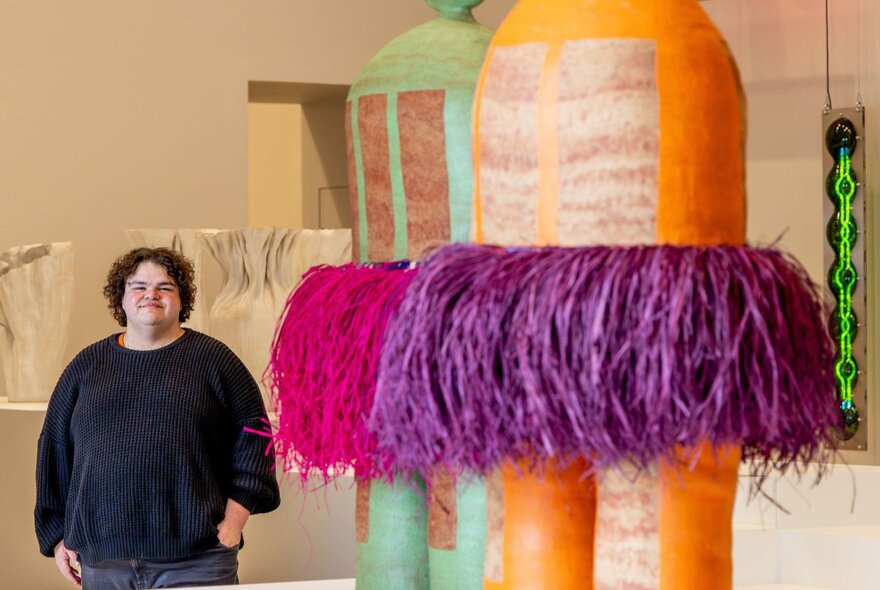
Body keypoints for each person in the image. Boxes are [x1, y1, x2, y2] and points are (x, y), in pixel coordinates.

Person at [35, 247, 281, 588]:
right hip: (105, 563)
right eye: (138, 286)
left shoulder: (214, 361)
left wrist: (233, 523)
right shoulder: (86, 367)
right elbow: (54, 452)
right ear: (121, 299)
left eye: (165, 287)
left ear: (181, 301)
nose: (151, 294)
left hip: (197, 561)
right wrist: (57, 536)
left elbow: (258, 440)